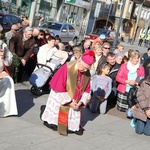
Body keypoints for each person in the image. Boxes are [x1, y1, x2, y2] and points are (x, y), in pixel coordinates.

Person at [40, 50, 95, 136]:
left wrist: (81, 102)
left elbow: (87, 89)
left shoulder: (86, 73)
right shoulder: (67, 68)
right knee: (53, 124)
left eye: (87, 68)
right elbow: (59, 87)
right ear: (79, 60)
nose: (84, 70)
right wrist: (69, 102)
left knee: (71, 128)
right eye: (84, 67)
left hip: (76, 100)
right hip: (63, 97)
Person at [0, 40, 18, 117]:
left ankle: (6, 110)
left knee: (9, 80)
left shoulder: (2, 44)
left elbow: (8, 61)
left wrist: (3, 57)